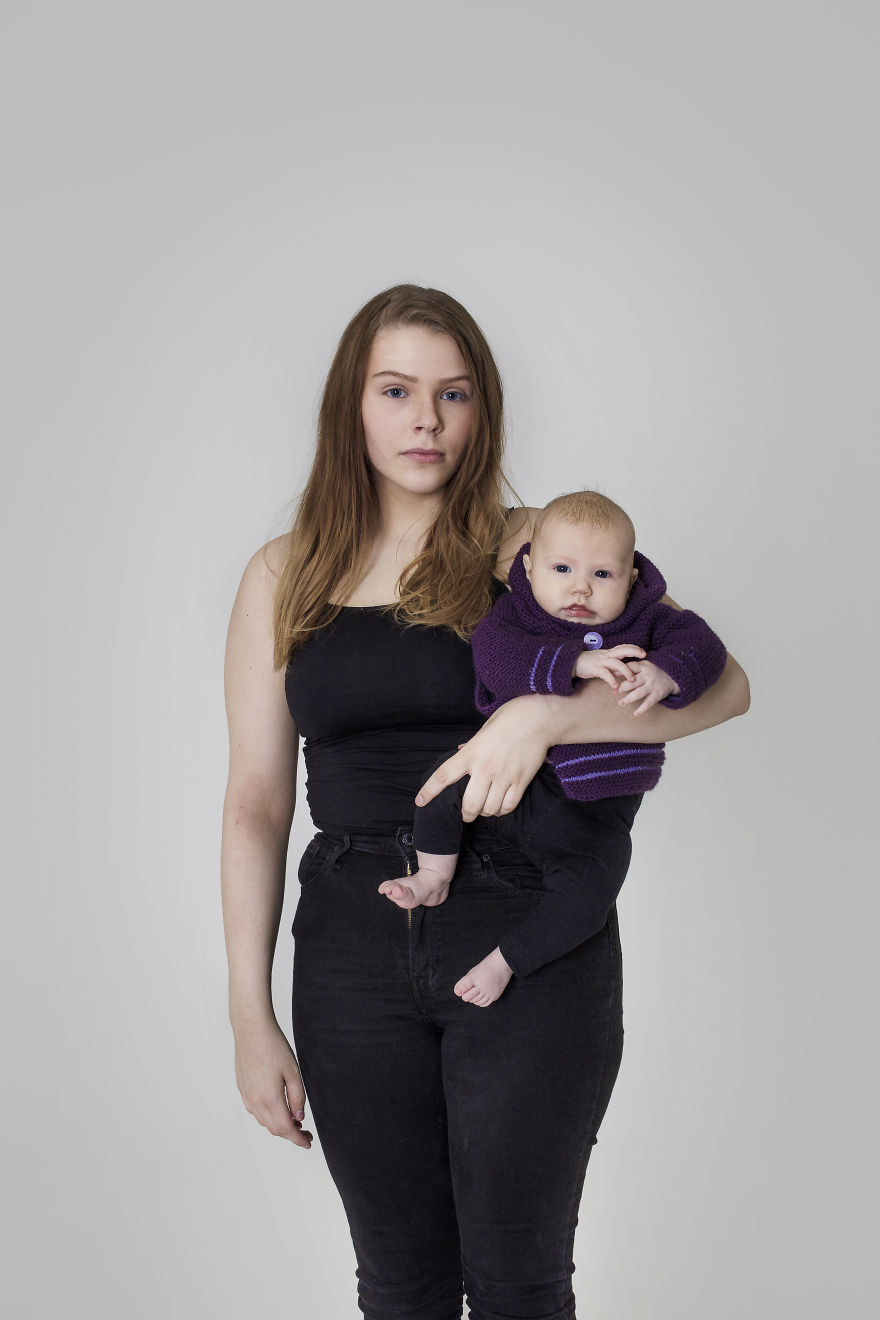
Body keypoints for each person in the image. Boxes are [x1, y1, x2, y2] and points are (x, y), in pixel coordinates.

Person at [221, 284, 750, 1320]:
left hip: (527, 919)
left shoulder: (534, 544)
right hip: (348, 942)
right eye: (397, 390)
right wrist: (249, 1012)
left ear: (482, 410)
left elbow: (724, 686)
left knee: (517, 1286)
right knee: (402, 1289)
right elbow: (253, 802)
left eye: (453, 394)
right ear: (351, 406)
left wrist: (542, 719)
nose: (426, 419)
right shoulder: (282, 574)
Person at [378, 488, 728, 1007]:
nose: (580, 589)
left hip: (596, 812)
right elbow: (496, 660)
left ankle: (505, 962)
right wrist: (574, 663)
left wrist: (665, 673)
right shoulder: (515, 617)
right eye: (561, 569)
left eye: (602, 575)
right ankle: (432, 874)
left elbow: (707, 647)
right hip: (514, 786)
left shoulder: (649, 619)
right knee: (443, 783)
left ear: (631, 579)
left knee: (590, 894)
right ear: (530, 565)